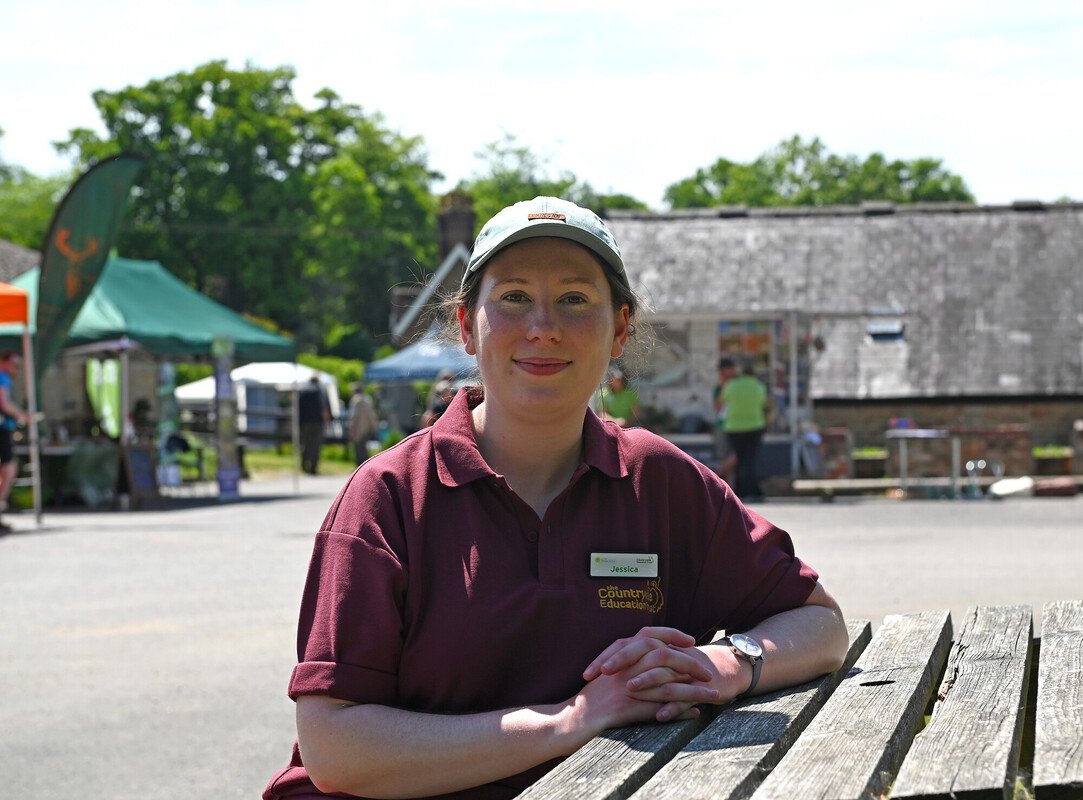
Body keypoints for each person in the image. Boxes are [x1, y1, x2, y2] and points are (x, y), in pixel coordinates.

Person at [264, 196, 847, 800]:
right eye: (514, 297)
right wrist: (572, 719)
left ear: (620, 328)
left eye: (575, 299)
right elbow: (333, 748)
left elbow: (822, 624)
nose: (543, 326)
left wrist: (725, 665)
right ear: (467, 326)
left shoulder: (659, 480)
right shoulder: (388, 497)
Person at [722, 359, 770, 501]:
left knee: (739, 459)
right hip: (755, 426)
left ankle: (739, 490)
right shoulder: (759, 386)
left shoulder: (731, 385)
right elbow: (763, 403)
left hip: (734, 427)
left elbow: (724, 399)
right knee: (750, 459)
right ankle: (751, 490)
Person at [0, 352, 30, 530]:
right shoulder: (2, 377)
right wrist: (23, 415)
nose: (16, 370)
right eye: (14, 365)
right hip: (2, 428)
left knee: (8, 471)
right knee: (9, 470)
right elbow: (4, 404)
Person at [712, 356, 738, 485]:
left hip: (738, 425)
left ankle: (715, 478)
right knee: (724, 456)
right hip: (723, 425)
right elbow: (718, 409)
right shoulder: (719, 388)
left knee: (735, 457)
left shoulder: (739, 385)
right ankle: (722, 484)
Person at [297, 376, 331, 475]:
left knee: (305, 444)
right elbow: (323, 408)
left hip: (304, 422)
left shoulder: (303, 391)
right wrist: (326, 423)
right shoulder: (319, 391)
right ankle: (313, 467)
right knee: (315, 445)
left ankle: (304, 465)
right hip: (317, 422)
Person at [346, 382, 380, 465]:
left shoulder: (356, 400)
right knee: (364, 450)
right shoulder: (367, 399)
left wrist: (351, 430)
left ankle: (360, 469)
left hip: (357, 429)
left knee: (359, 451)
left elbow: (353, 416)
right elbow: (372, 415)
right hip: (367, 429)